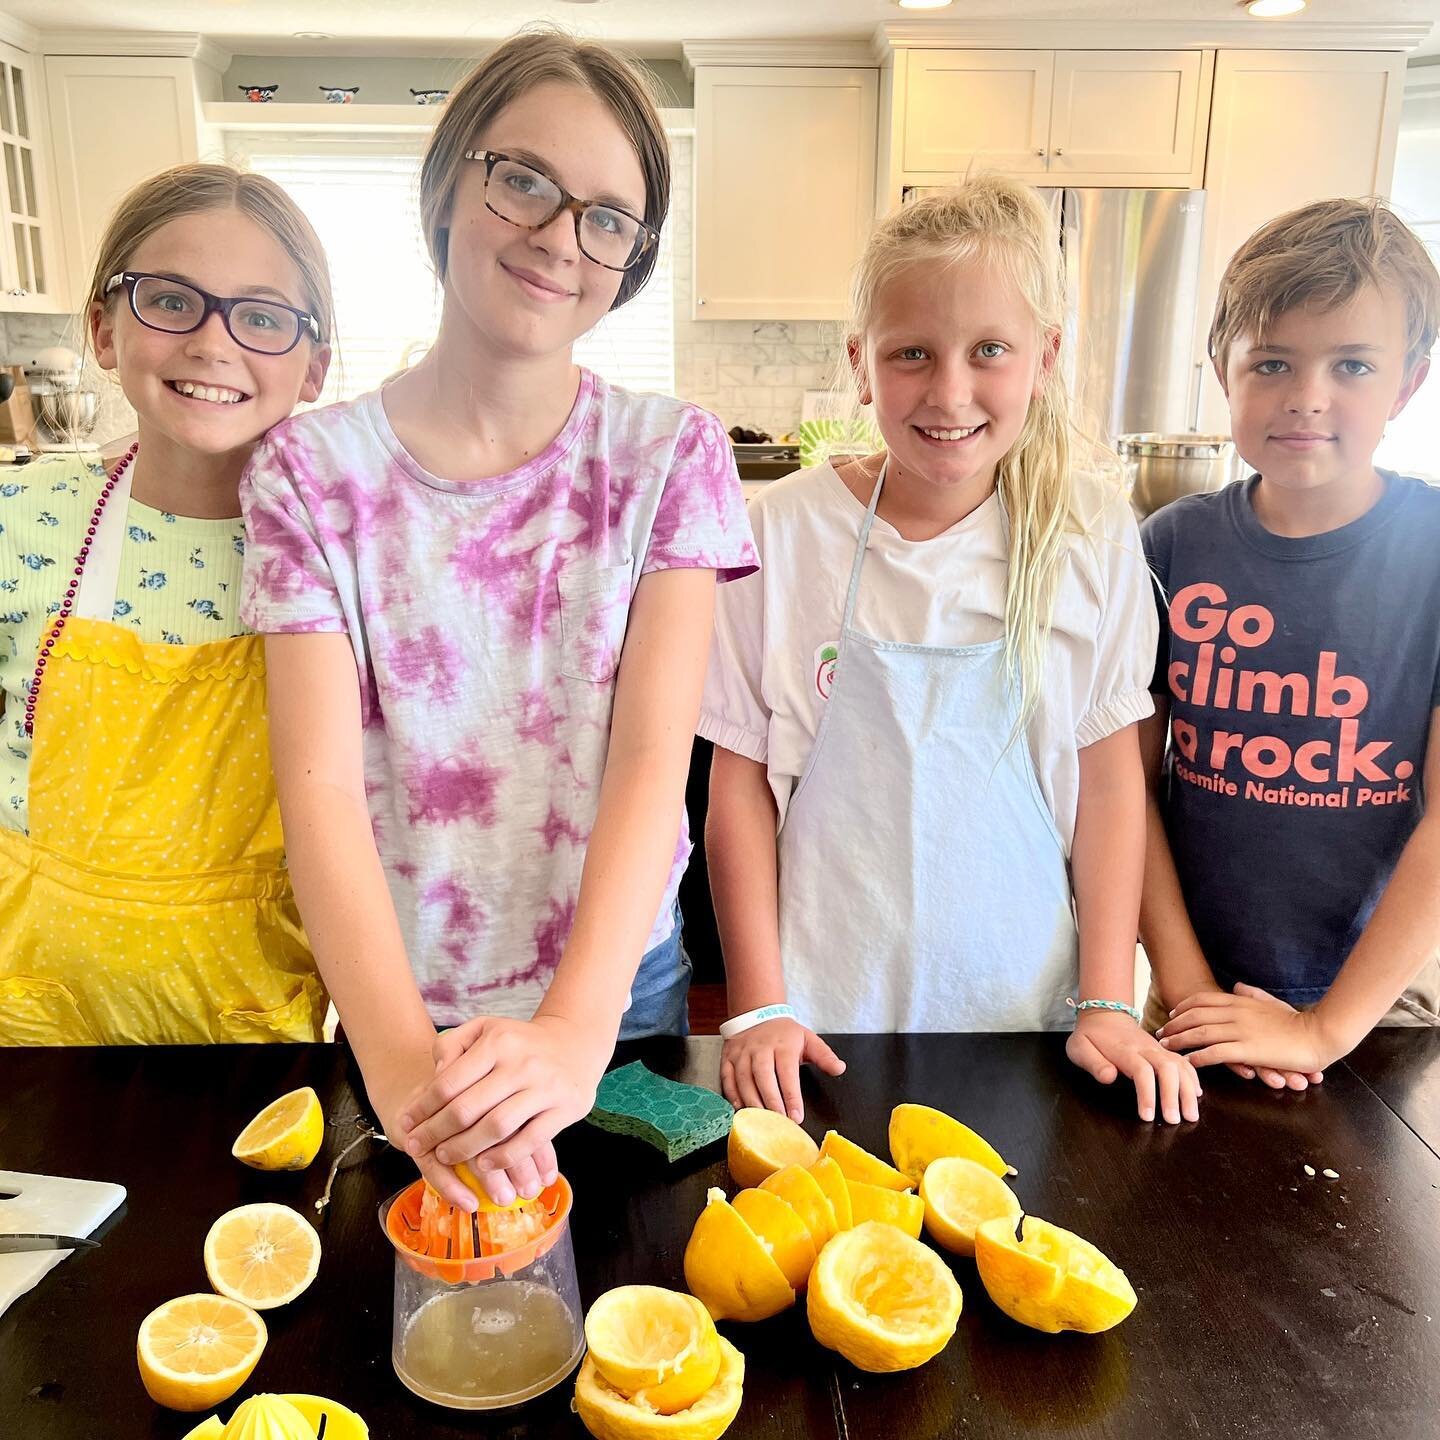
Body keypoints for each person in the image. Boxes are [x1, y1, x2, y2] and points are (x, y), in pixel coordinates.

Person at [240, 30, 757, 1209]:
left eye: (607, 219)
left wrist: (575, 1033)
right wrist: (405, 1071)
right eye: (523, 179)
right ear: (446, 183)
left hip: (617, 995)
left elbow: (648, 760)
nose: (558, 238)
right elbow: (316, 793)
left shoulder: (671, 455)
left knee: (634, 1306)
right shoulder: (307, 474)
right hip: (399, 1004)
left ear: (631, 259)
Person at [702, 176, 1199, 1126]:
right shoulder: (780, 535)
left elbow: (1108, 786)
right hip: (821, 1018)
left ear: (1044, 359)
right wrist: (758, 1000)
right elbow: (741, 782)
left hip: (1029, 1018)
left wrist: (1104, 996)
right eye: (912, 354)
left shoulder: (1088, 535)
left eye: (990, 352)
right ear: (861, 362)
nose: (950, 392)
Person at [0, 164, 333, 1044]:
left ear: (315, 368)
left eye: (261, 316)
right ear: (104, 331)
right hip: (32, 1029)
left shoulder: (336, 561)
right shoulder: (21, 522)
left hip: (247, 1035)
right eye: (171, 300)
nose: (213, 343)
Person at [1144, 198, 1440, 1085]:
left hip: (1378, 1011)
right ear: (1222, 370)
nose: (1307, 397)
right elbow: (1124, 784)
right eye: (1272, 362)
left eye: (1352, 364)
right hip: (1193, 998)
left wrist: (1322, 1031)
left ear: (1408, 383)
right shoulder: (1169, 547)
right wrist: (1189, 989)